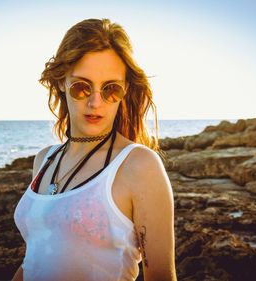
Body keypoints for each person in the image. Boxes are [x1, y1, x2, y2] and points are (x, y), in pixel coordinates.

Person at [12, 18, 177, 281]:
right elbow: (34, 258)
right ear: (61, 83)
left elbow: (161, 277)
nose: (95, 102)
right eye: (81, 87)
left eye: (111, 89)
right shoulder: (45, 159)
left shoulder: (139, 166)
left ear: (124, 91)